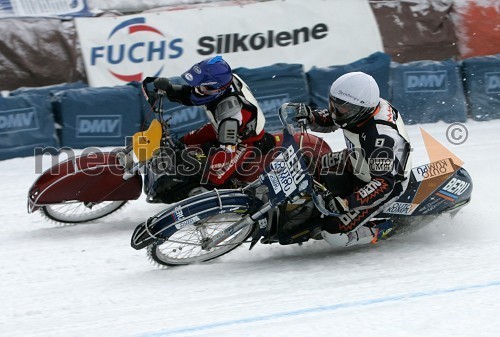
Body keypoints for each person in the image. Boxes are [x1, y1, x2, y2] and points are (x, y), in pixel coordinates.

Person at [294, 71, 412, 247]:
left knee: (333, 233)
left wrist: (348, 203)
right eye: (334, 104)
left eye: (341, 109)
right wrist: (312, 117)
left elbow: (384, 184)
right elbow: (336, 118)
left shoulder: (379, 137)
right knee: (309, 165)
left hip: (385, 183)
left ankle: (384, 228)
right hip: (359, 160)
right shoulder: (361, 109)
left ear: (360, 110)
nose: (335, 112)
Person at [152, 55, 268, 186]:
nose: (197, 90)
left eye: (202, 88)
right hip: (219, 128)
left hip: (244, 141)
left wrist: (198, 158)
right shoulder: (225, 82)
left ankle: (228, 194)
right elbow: (192, 95)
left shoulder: (230, 116)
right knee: (184, 142)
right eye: (198, 86)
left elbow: (227, 152)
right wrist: (170, 89)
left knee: (212, 177)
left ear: (217, 90)